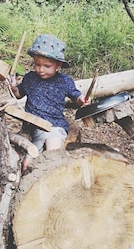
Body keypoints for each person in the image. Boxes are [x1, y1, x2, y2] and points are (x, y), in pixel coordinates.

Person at [7, 34, 87, 170]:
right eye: (37, 64)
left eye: (47, 66)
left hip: (55, 125)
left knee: (52, 154)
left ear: (58, 65)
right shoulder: (30, 78)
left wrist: (82, 100)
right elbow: (19, 94)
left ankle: (54, 180)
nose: (41, 69)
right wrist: (13, 87)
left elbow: (77, 97)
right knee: (27, 163)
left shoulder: (64, 81)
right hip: (34, 126)